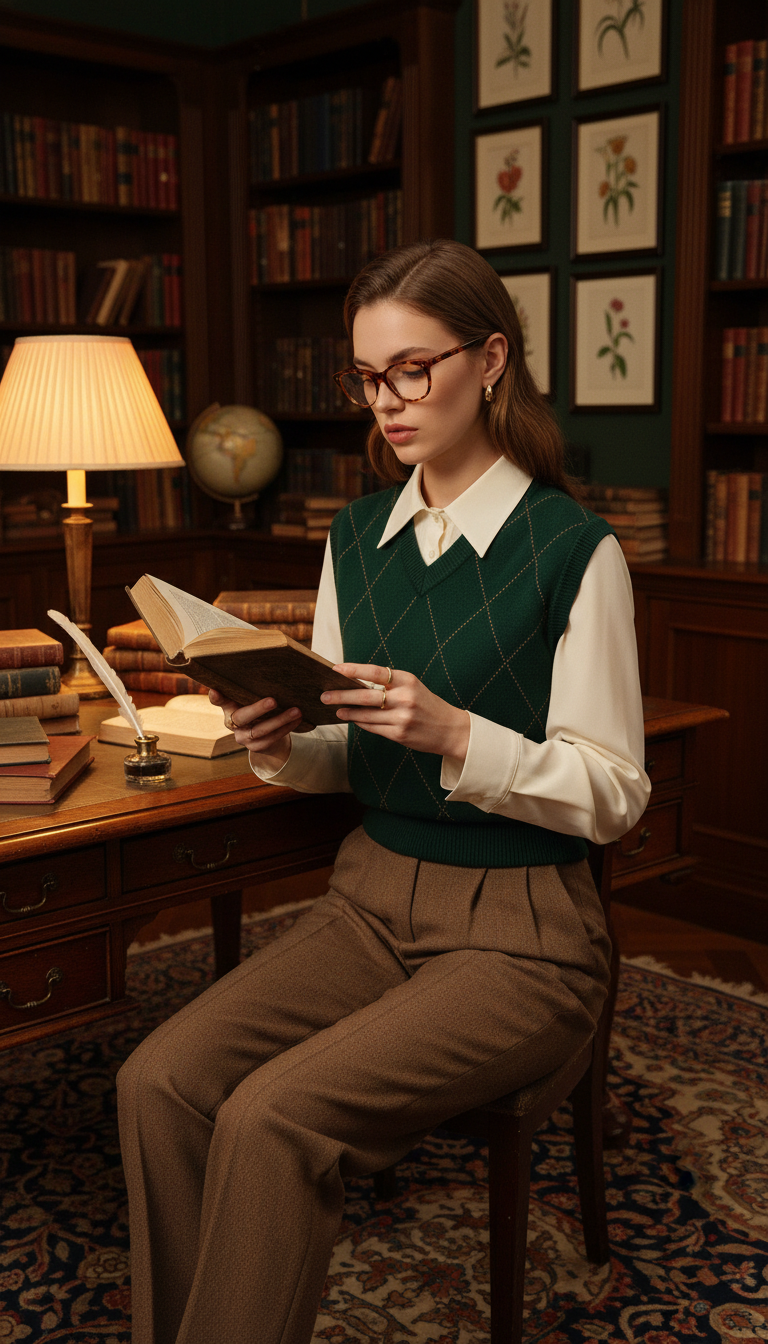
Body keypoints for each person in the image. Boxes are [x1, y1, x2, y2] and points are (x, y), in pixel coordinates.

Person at [117, 238, 650, 1344]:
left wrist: (459, 734)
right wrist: (279, 740)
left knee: (272, 1116)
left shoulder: (573, 549)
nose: (388, 401)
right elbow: (346, 752)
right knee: (158, 1080)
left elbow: (614, 794)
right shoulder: (356, 537)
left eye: (413, 368)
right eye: (369, 377)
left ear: (490, 360)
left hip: (526, 935)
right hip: (368, 901)